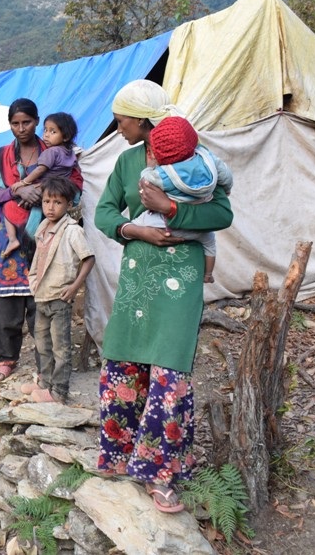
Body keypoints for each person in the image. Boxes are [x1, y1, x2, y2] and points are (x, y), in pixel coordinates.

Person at [94, 79, 233, 514]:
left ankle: (161, 473)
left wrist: (171, 209)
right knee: (125, 356)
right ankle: (120, 455)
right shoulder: (126, 161)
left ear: (143, 121)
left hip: (181, 275)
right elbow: (103, 212)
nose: (118, 128)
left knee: (170, 367)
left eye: (122, 120)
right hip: (138, 271)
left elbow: (222, 212)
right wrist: (135, 229)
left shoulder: (193, 157)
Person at [130, 116, 234, 283]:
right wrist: (227, 189)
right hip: (200, 228)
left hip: (167, 226)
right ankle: (208, 275)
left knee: (136, 224)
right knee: (210, 242)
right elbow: (226, 175)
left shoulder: (165, 174)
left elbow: (146, 181)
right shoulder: (207, 160)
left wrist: (150, 168)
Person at [0, 98, 44, 383]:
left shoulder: (53, 153)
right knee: (5, 294)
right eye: (15, 123)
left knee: (43, 295)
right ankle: (4, 357)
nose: (21, 128)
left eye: (27, 122)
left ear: (37, 121)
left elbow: (72, 188)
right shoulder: (2, 155)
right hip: (7, 234)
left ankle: (47, 363)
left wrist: (41, 193)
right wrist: (17, 191)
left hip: (43, 233)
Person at [26, 177, 95, 404]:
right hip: (42, 294)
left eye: (57, 202)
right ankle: (44, 382)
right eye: (47, 202)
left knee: (60, 347)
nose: (50, 207)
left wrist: (75, 287)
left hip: (59, 297)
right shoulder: (43, 228)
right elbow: (38, 259)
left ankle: (59, 391)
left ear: (68, 204)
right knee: (42, 343)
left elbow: (88, 259)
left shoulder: (72, 230)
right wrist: (33, 280)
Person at [4, 112, 80, 257]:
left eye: (53, 132)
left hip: (46, 186)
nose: (46, 135)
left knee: (11, 208)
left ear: (65, 137)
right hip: (61, 189)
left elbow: (40, 170)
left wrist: (24, 182)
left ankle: (19, 241)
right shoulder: (70, 153)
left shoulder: (51, 152)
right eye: (45, 130)